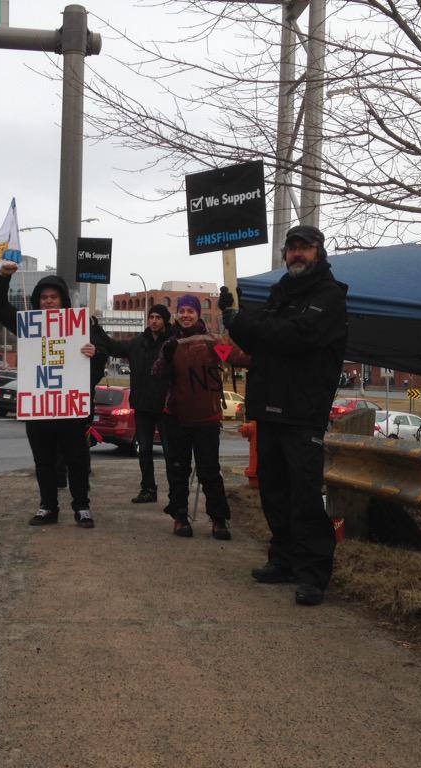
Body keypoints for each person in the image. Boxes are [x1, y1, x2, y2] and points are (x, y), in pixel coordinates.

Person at [221, 224, 348, 606]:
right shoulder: (278, 295)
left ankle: (312, 574)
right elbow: (252, 338)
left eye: (304, 248)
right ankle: (284, 559)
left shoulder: (330, 296)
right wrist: (233, 316)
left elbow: (296, 336)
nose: (297, 254)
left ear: (319, 252)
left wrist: (247, 322)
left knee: (305, 496)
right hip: (269, 408)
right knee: (274, 490)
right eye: (292, 248)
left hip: (303, 413)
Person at [0, 260, 105, 529]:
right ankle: (47, 506)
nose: (48, 301)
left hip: (70, 409)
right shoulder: (27, 325)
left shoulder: (81, 326)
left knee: (77, 460)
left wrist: (95, 352)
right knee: (43, 462)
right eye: (43, 297)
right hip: (40, 408)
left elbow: (105, 351)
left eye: (54, 297)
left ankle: (82, 507)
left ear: (63, 299)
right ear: (37, 300)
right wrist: (3, 278)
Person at [152, 294, 249, 540]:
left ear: (198, 314)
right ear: (177, 314)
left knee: (210, 471)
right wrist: (166, 356)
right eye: (182, 310)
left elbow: (240, 358)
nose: (185, 315)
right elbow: (157, 373)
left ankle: (218, 519)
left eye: (190, 311)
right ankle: (180, 516)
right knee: (178, 470)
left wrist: (237, 328)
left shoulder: (213, 342)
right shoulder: (170, 343)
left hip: (207, 418)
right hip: (176, 417)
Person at [93, 304, 174, 504]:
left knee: (171, 453)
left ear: (165, 321)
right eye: (151, 317)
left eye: (158, 317)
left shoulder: (173, 343)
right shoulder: (137, 344)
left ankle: (176, 493)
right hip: (142, 406)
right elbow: (114, 346)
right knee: (144, 451)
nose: (154, 320)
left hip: (166, 408)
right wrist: (98, 330)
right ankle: (148, 489)